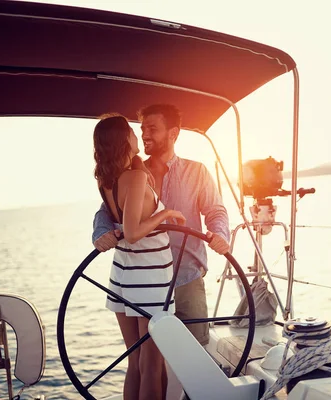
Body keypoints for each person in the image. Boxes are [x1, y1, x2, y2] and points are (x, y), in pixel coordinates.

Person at [92, 104, 230, 346]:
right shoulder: (133, 172)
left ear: (173, 133)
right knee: (151, 358)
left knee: (196, 355)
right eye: (142, 129)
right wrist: (101, 232)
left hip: (186, 276)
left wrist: (220, 236)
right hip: (148, 281)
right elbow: (107, 207)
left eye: (152, 129)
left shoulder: (197, 171)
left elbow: (215, 210)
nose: (145, 134)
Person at [93, 114, 186, 400]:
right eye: (132, 133)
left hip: (124, 273)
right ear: (124, 141)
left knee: (135, 361)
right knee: (151, 362)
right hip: (150, 276)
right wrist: (166, 213)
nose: (138, 136)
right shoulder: (134, 178)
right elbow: (133, 232)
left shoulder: (107, 180)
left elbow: (123, 224)